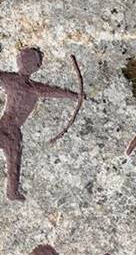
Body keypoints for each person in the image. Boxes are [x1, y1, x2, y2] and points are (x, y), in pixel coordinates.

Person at [0, 48, 79, 200]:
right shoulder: (33, 88)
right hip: (10, 130)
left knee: (14, 162)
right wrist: (75, 95)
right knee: (13, 162)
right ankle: (12, 192)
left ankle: (12, 192)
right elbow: (56, 92)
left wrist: (74, 95)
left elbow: (55, 91)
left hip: (8, 129)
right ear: (37, 67)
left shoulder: (16, 81)